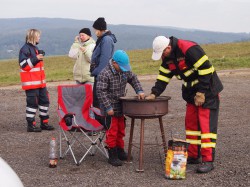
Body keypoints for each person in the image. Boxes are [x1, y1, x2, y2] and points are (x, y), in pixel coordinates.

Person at [146, 36, 223, 173]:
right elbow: (164, 76)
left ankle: (208, 160)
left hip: (207, 90)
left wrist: (201, 93)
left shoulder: (189, 48)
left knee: (206, 128)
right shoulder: (167, 57)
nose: (162, 56)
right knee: (191, 125)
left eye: (162, 53)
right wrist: (154, 93)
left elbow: (206, 69)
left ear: (168, 48)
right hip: (190, 92)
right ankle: (193, 155)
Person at [96, 50, 145, 166]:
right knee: (112, 131)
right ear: (114, 63)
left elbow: (133, 78)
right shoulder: (104, 73)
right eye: (121, 66)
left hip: (121, 105)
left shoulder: (124, 71)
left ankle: (120, 150)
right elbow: (100, 92)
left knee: (121, 129)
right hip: (109, 108)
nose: (123, 69)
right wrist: (108, 107)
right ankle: (112, 155)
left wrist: (139, 90)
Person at [18, 29, 54, 132]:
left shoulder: (35, 48)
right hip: (31, 84)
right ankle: (31, 125)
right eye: (38, 36)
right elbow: (23, 65)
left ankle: (44, 123)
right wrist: (36, 58)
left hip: (40, 83)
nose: (39, 38)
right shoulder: (24, 49)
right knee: (32, 104)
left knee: (44, 102)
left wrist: (38, 56)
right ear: (32, 36)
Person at [90, 17, 117, 128]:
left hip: (101, 75)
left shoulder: (106, 40)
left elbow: (105, 60)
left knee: (100, 99)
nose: (94, 32)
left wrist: (96, 71)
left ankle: (102, 124)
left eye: (95, 29)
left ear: (100, 29)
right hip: (99, 74)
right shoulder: (103, 39)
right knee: (96, 99)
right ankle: (100, 123)